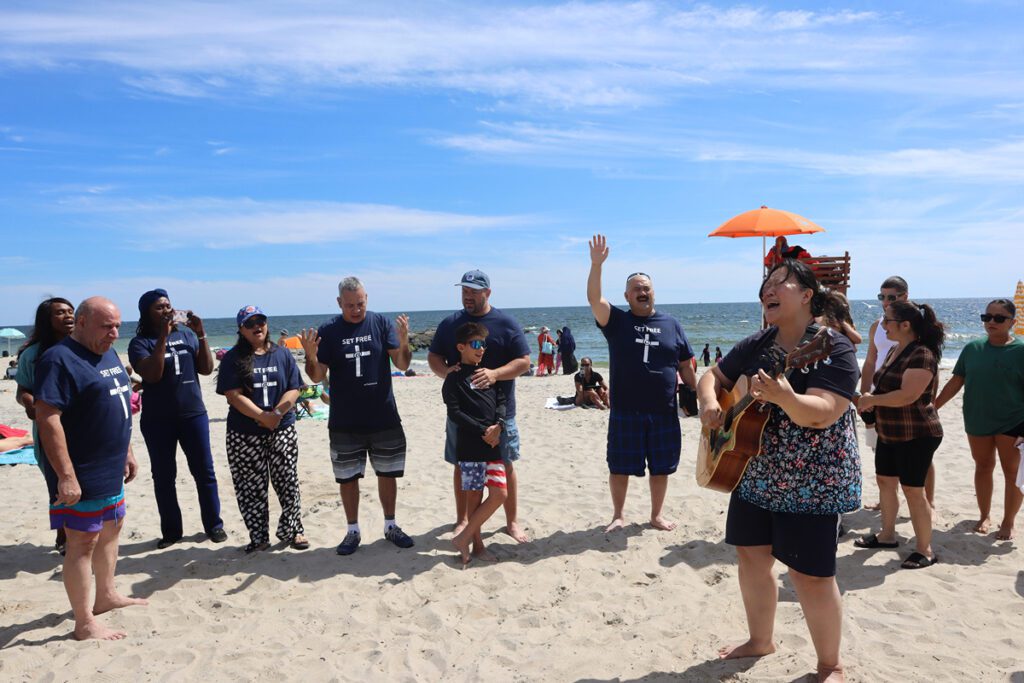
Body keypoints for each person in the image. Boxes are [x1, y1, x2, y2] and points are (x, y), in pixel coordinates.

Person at [697, 260, 860, 682]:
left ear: (807, 294)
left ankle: (830, 665)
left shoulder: (834, 348)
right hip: (754, 472)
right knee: (750, 557)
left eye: (778, 284)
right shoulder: (758, 342)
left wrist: (786, 398)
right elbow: (710, 377)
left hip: (813, 480)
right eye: (764, 285)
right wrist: (710, 403)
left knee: (810, 575)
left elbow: (826, 413)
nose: (767, 290)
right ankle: (760, 640)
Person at [34, 297, 147, 640]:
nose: (114, 334)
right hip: (81, 469)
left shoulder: (108, 351)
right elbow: (47, 418)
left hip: (111, 464)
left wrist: (126, 450)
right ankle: (84, 622)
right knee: (82, 542)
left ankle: (107, 595)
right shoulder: (58, 359)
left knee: (113, 528)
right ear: (80, 322)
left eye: (117, 326)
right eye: (106, 326)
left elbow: (118, 400)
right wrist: (66, 475)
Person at [587, 234, 698, 533]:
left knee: (661, 467)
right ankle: (618, 515)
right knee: (619, 466)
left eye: (646, 288)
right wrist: (596, 265)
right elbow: (595, 299)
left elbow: (686, 363)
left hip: (664, 410)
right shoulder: (617, 323)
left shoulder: (671, 323)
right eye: (636, 289)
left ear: (654, 292)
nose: (642, 292)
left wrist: (695, 393)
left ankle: (656, 515)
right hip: (626, 410)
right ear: (626, 296)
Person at [299, 277, 415, 556]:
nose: (356, 309)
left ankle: (390, 525)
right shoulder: (329, 330)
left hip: (383, 415)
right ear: (339, 303)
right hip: (345, 420)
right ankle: (352, 530)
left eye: (360, 303)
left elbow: (402, 363)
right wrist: (311, 356)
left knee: (387, 473)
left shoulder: (380, 323)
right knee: (347, 477)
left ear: (367, 299)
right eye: (350, 305)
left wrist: (403, 341)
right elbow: (316, 376)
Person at [428, 269, 531, 543]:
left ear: (487, 292)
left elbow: (524, 361)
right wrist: (446, 373)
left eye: (473, 291)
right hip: (462, 415)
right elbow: (434, 356)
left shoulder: (506, 322)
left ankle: (512, 522)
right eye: (464, 290)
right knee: (461, 466)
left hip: (500, 412)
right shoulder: (450, 324)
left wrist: (495, 373)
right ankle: (462, 520)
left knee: (505, 466)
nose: (467, 296)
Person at [129, 289, 226, 549]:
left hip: (192, 414)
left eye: (168, 306)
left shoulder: (187, 335)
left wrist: (201, 333)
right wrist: (162, 336)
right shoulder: (139, 343)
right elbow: (152, 375)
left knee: (204, 472)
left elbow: (206, 369)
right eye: (159, 308)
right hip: (158, 419)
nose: (166, 311)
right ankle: (172, 532)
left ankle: (214, 525)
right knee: (163, 476)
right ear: (147, 313)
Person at [855, 301, 944, 569]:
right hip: (890, 431)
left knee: (913, 491)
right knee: (885, 482)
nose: (883, 324)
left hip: (917, 433)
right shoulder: (896, 348)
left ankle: (925, 550)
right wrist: (870, 401)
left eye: (887, 320)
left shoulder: (922, 354)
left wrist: (872, 400)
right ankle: (887, 535)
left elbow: (908, 396)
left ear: (905, 325)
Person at [216, 306, 307, 553]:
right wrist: (261, 416)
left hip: (282, 428)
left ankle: (294, 530)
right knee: (250, 487)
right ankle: (259, 538)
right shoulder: (233, 358)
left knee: (288, 480)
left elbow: (295, 388)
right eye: (250, 323)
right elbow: (232, 395)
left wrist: (276, 414)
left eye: (261, 321)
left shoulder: (282, 354)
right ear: (241, 329)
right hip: (244, 433)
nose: (257, 326)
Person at [935, 298, 1024, 540]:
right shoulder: (972, 349)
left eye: (998, 318)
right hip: (977, 418)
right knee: (983, 467)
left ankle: (1009, 521)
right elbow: (955, 382)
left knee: (1012, 472)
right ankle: (984, 515)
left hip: (1013, 421)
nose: (991, 322)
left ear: (1013, 322)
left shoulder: (1021, 350)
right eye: (987, 317)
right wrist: (934, 407)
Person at [861, 277, 935, 508]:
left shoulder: (914, 325)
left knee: (920, 456)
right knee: (882, 449)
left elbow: (930, 362)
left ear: (905, 295)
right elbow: (870, 361)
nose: (885, 301)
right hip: (880, 392)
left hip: (910, 391)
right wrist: (865, 393)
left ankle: (928, 501)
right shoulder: (878, 325)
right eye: (881, 296)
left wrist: (929, 397)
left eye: (891, 297)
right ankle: (887, 500)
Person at [443, 322, 508, 565]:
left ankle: (464, 537)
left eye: (484, 344)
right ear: (461, 347)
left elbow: (501, 401)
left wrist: (499, 425)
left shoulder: (487, 374)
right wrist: (483, 430)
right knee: (473, 498)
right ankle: (477, 546)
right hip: (470, 448)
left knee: (500, 493)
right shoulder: (454, 379)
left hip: (493, 445)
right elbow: (455, 413)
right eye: (476, 344)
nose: (482, 349)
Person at [15, 297, 75, 553]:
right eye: (60, 313)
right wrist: (31, 405)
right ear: (47, 320)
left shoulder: (82, 347)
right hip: (49, 429)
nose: (68, 316)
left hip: (82, 427)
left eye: (71, 311)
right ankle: (63, 535)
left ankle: (80, 533)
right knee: (57, 482)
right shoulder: (32, 354)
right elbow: (22, 391)